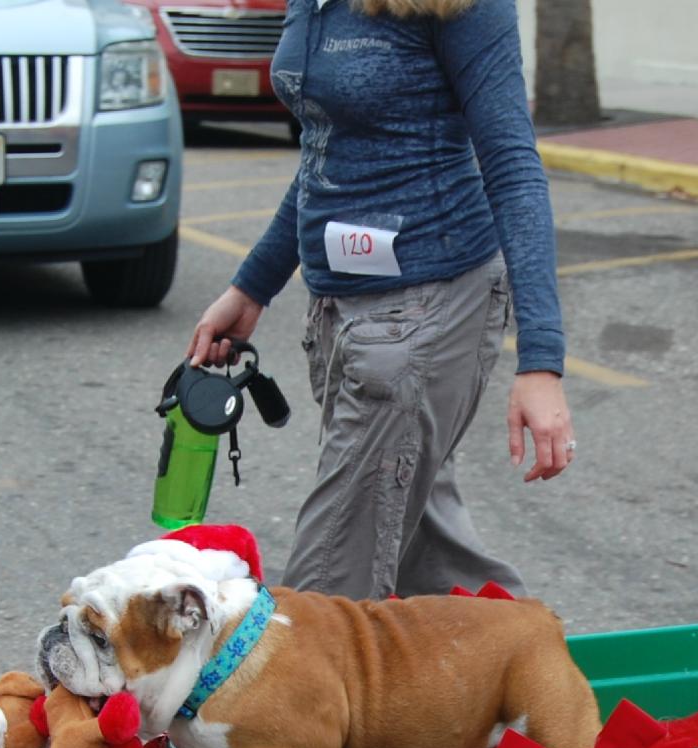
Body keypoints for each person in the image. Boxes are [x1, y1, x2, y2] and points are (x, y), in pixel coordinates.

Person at [187, 0, 576, 600]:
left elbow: (513, 165)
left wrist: (541, 361)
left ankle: (298, 692)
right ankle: (525, 672)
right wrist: (252, 286)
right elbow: (328, 150)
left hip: (428, 313)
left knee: (323, 591)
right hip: (342, 313)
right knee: (428, 553)